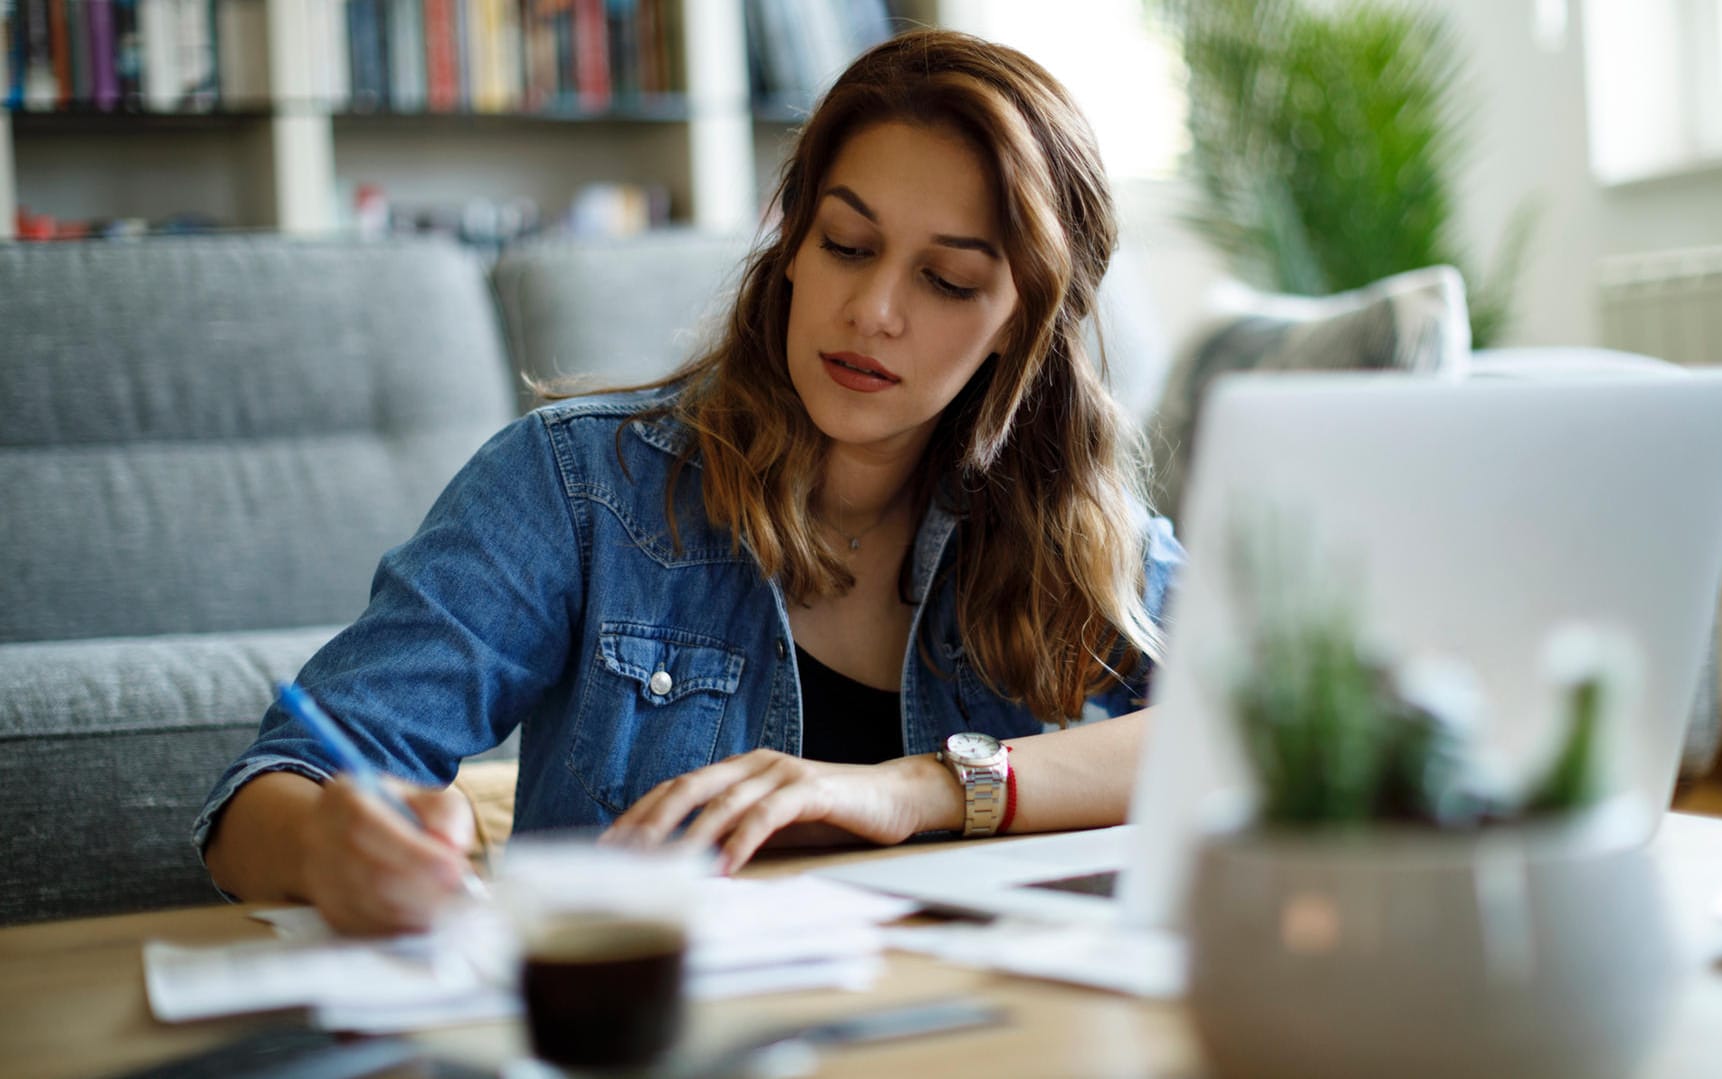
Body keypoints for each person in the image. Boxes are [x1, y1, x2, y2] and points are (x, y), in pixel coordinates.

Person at [198, 28, 1184, 936]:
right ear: (793, 245)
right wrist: (331, 846)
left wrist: (920, 788)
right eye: (845, 244)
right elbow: (261, 799)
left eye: (948, 280)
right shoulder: (577, 486)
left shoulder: (1070, 523)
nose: (872, 309)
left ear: (1024, 321)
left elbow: (1260, 733)